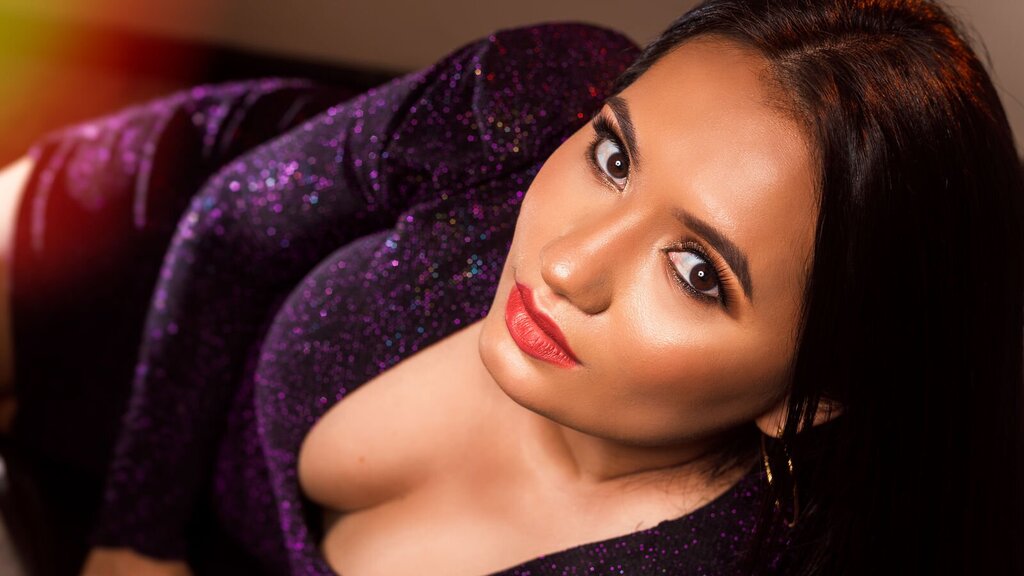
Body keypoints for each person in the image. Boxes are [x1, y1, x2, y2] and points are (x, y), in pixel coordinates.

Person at [1, 0, 1020, 574]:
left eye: (696, 271)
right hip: (142, 248)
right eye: (614, 157)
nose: (565, 266)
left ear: (819, 393)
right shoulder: (537, 96)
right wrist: (133, 534)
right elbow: (229, 219)